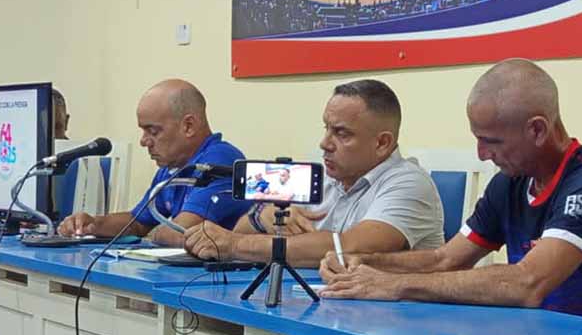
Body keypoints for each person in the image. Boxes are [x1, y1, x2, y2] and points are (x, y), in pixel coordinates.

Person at [318, 59, 582, 326]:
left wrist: (394, 284)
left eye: (491, 141)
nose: (481, 154)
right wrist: (366, 263)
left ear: (538, 130)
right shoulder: (511, 181)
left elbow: (527, 283)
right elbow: (445, 259)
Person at [184, 79, 444, 268]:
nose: (325, 143)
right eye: (326, 129)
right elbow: (240, 229)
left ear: (382, 144)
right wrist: (261, 218)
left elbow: (351, 247)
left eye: (342, 133)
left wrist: (234, 245)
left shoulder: (409, 182)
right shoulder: (326, 175)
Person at [57, 79, 249, 244]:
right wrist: (93, 224)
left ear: (188, 126)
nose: (143, 141)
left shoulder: (221, 161)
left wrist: (154, 234)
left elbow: (182, 233)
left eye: (153, 131)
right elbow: (138, 222)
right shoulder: (174, 164)